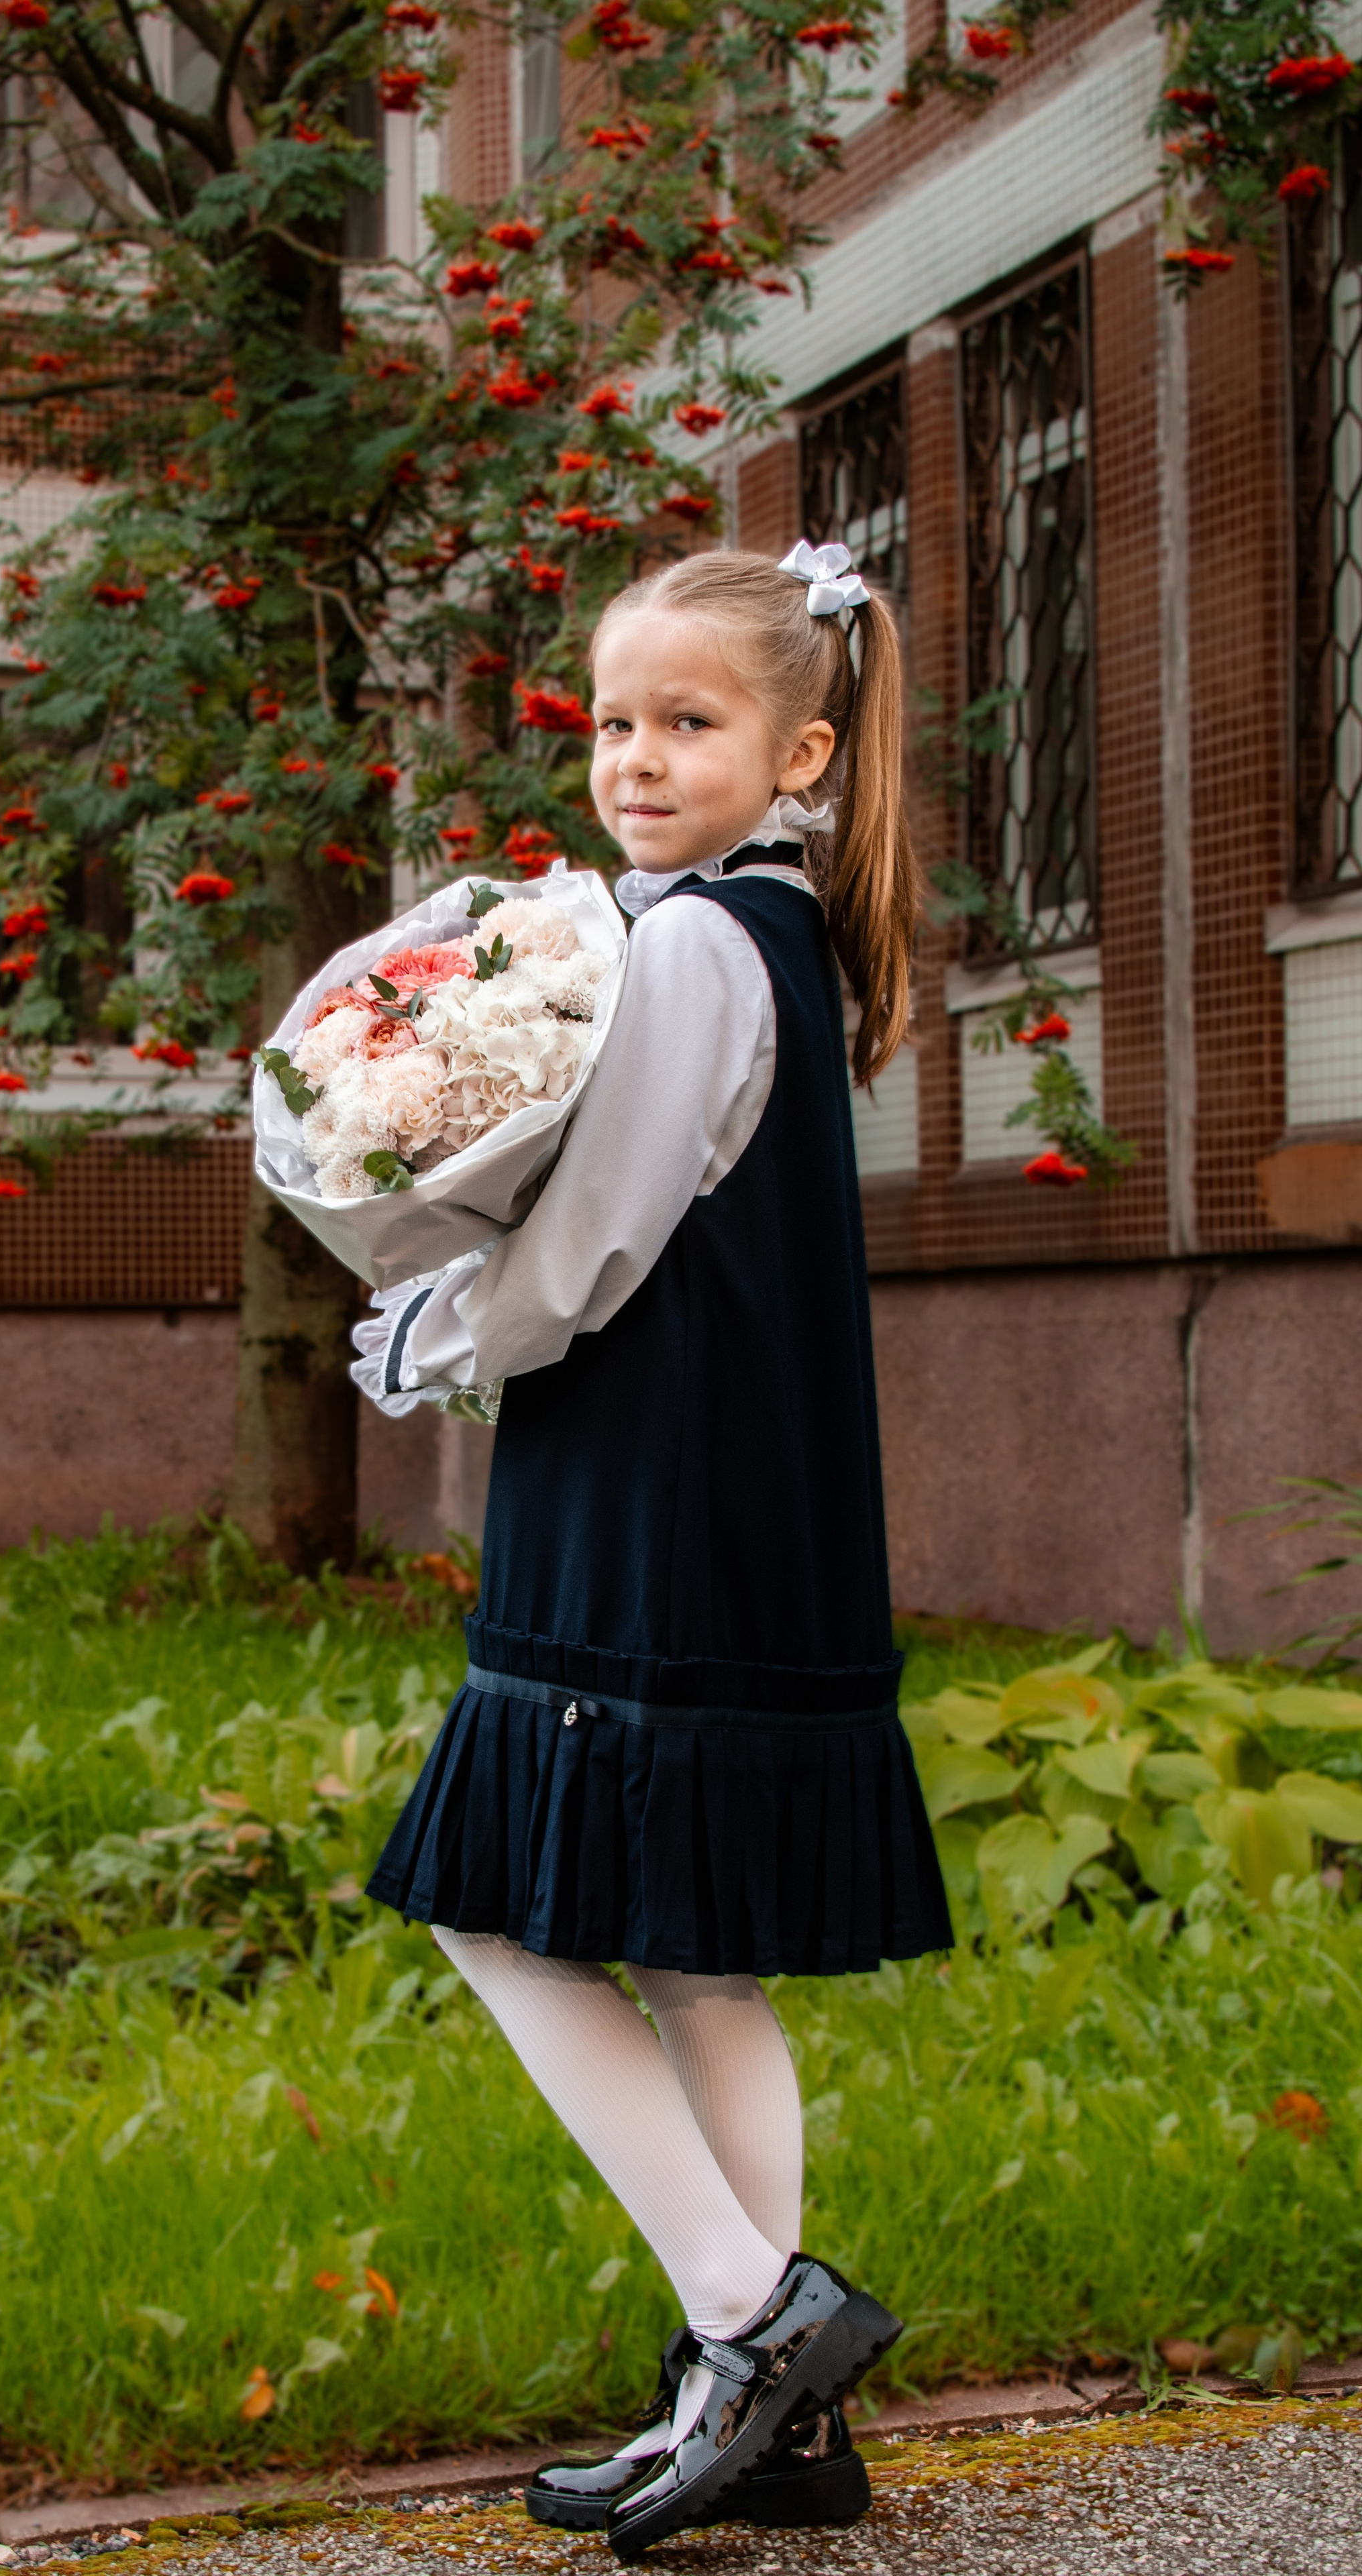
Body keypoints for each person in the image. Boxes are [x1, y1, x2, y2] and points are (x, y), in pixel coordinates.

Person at [351, 543, 953, 2557]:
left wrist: (439, 1333)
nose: (631, 759)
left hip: (656, 1490)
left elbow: (598, 1240)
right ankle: (768, 2422)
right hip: (752, 1489)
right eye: (612, 721)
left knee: (491, 1910)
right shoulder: (762, 931)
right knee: (698, 1958)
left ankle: (753, 2310)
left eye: (685, 724)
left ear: (798, 750)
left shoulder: (697, 947)